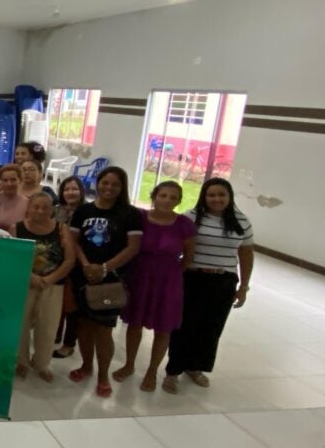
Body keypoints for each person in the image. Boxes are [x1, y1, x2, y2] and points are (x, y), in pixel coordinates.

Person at [164, 178, 254, 393]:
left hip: (223, 282)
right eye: (211, 195)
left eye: (221, 194)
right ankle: (173, 371)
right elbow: (176, 246)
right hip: (193, 279)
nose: (217, 199)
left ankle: (195, 367)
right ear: (204, 197)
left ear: (229, 197)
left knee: (212, 327)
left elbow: (246, 254)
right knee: (184, 326)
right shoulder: (191, 217)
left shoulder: (242, 221)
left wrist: (244, 286)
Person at [110, 181, 197, 392]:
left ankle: (152, 371)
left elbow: (188, 257)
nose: (167, 200)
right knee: (134, 324)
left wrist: (171, 274)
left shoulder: (184, 224)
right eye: (163, 195)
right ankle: (129, 364)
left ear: (178, 200)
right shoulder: (139, 218)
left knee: (163, 328)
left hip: (168, 280)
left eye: (173, 197)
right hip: (140, 276)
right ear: (154, 196)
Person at [68, 167, 143, 397]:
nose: (109, 188)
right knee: (84, 326)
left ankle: (102, 375)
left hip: (111, 279)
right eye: (105, 183)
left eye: (115, 185)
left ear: (122, 188)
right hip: (83, 276)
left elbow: (133, 248)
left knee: (103, 330)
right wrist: (85, 265)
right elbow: (73, 240)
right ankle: (86, 366)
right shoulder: (83, 210)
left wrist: (103, 268)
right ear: (97, 183)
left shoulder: (131, 214)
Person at [12, 193, 76, 382]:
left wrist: (49, 279)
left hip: (53, 285)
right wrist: (30, 277)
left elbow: (70, 259)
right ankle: (21, 362)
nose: (40, 211)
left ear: (52, 210)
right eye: (36, 207)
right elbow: (12, 258)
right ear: (28, 208)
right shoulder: (17, 228)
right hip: (25, 283)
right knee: (21, 325)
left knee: (48, 326)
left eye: (45, 207)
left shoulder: (62, 229)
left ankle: (41, 363)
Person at [53, 176, 86, 359]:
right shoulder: (56, 210)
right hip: (57, 261)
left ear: (81, 191)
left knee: (72, 306)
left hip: (78, 264)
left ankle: (68, 343)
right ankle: (54, 335)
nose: (70, 192)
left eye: (74, 189)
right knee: (57, 301)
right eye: (66, 189)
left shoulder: (87, 211)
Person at [0, 164, 29, 231]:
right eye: (5, 180)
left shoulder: (27, 203)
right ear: (0, 181)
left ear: (20, 180)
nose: (9, 184)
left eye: (13, 180)